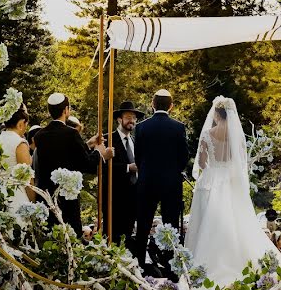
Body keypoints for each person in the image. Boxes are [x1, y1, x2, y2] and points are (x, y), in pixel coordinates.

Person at [183, 96, 281, 290]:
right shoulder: (237, 137)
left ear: (216, 114)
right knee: (237, 222)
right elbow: (240, 164)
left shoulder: (207, 134)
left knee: (212, 222)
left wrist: (212, 164)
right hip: (232, 183)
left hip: (213, 181)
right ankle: (243, 262)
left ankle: (208, 265)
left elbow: (200, 163)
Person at [35, 93, 112, 237]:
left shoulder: (40, 135)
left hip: (47, 196)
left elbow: (65, 153)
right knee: (71, 235)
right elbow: (86, 164)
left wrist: (88, 144)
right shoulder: (71, 134)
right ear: (66, 110)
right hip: (67, 196)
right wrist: (100, 153)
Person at [134, 89, 189, 280]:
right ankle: (171, 269)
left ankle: (139, 265)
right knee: (171, 225)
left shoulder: (141, 127)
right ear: (171, 106)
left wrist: (147, 171)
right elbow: (184, 158)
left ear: (152, 103)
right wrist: (172, 171)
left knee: (143, 224)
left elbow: (138, 157)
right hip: (170, 184)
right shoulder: (178, 127)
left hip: (147, 182)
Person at [101, 100, 144, 250]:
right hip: (114, 198)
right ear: (119, 119)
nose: (131, 121)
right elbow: (103, 167)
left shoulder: (134, 141)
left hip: (132, 198)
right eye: (127, 117)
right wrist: (127, 167)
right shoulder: (108, 139)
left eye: (133, 118)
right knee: (112, 238)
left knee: (127, 238)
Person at [0, 106, 35, 218]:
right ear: (20, 124)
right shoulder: (20, 143)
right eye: (25, 125)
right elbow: (27, 180)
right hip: (17, 198)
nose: (25, 129)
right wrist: (33, 203)